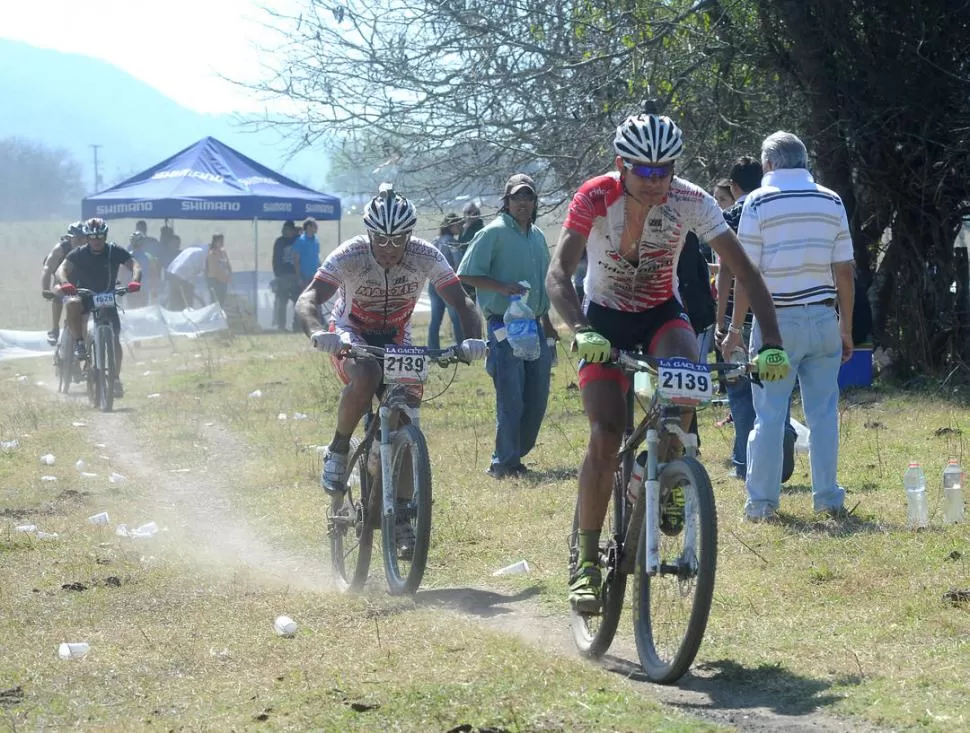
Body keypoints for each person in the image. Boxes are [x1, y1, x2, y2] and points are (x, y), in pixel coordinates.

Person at [546, 111, 789, 613]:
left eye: (666, 170)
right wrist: (582, 330)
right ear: (622, 165)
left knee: (683, 393)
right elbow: (557, 275)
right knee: (606, 433)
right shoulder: (595, 195)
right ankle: (587, 562)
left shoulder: (691, 200)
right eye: (646, 171)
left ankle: (668, 468)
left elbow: (744, 270)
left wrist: (772, 342)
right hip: (604, 320)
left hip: (662, 314)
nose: (658, 181)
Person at [296, 184, 485, 558]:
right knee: (364, 376)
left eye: (398, 239)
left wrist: (473, 339)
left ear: (409, 235)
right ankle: (337, 448)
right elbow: (308, 298)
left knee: (403, 419)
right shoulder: (349, 254)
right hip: (350, 332)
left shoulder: (424, 255)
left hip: (398, 337)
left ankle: (401, 517)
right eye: (380, 239)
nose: (389, 247)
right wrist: (319, 332)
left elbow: (462, 301)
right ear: (369, 233)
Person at [720, 131, 854, 522]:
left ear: (768, 165)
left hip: (776, 322)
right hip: (823, 317)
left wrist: (736, 328)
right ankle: (828, 497)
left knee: (770, 413)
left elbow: (749, 274)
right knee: (824, 413)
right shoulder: (831, 199)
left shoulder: (759, 202)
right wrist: (846, 326)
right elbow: (844, 272)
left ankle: (762, 503)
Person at [458, 173, 559, 478]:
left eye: (528, 197)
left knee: (537, 396)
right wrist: (501, 287)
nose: (522, 203)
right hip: (504, 324)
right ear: (506, 202)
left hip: (535, 325)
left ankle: (516, 453)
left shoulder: (538, 236)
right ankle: (504, 462)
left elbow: (542, 285)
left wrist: (548, 321)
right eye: (516, 198)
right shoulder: (493, 233)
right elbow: (465, 274)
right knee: (511, 395)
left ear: (534, 202)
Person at [716, 155, 798, 482]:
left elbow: (725, 270)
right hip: (778, 312)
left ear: (734, 186)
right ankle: (783, 434)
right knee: (776, 384)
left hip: (743, 316)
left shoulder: (734, 214)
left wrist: (722, 318)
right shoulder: (780, 208)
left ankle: (743, 461)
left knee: (739, 391)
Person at [53, 218, 142, 398]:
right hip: (85, 294)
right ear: (87, 237)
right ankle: (79, 343)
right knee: (72, 303)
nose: (96, 240)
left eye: (100, 237)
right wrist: (64, 283)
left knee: (115, 338)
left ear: (105, 236)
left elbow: (134, 264)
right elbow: (61, 269)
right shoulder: (78, 253)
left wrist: (135, 280)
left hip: (106, 296)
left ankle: (115, 379)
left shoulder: (113, 251)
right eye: (92, 237)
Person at [41, 221, 86, 344]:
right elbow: (47, 268)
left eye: (84, 239)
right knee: (58, 294)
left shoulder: (91, 248)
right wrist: (45, 289)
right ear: (69, 238)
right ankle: (55, 329)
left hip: (83, 285)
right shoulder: (61, 248)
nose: (81, 243)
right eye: (77, 239)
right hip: (62, 284)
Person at [427, 213, 465, 349]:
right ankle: (462, 347)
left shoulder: (435, 241)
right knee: (456, 317)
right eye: (459, 225)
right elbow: (458, 262)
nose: (461, 227)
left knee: (435, 319)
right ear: (452, 225)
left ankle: (432, 349)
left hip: (433, 283)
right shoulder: (452, 242)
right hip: (448, 284)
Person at [271, 220, 300, 330]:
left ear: (292, 231)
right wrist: (277, 275)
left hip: (295, 276)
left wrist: (299, 276)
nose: (285, 232)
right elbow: (275, 259)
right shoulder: (279, 242)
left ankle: (296, 325)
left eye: (287, 230)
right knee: (282, 302)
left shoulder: (298, 241)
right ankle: (281, 326)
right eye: (284, 230)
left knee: (297, 303)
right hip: (283, 276)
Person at [165, 240, 205, 310]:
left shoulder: (191, 250)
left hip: (172, 272)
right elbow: (200, 270)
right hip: (180, 275)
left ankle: (174, 313)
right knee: (187, 300)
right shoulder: (202, 254)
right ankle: (187, 313)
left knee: (175, 300)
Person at [126, 232, 162, 307]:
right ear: (143, 243)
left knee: (131, 309)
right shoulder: (149, 257)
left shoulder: (126, 256)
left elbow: (121, 274)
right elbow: (153, 275)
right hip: (143, 288)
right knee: (142, 310)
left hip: (129, 288)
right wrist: (154, 290)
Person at [291, 217, 321, 292]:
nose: (317, 228)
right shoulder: (300, 241)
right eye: (314, 226)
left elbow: (317, 257)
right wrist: (298, 278)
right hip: (304, 275)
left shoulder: (316, 241)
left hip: (314, 275)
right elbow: (296, 260)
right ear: (308, 227)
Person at [205, 233, 233, 307]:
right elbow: (214, 270)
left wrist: (229, 275)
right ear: (215, 242)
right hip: (215, 280)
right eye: (220, 241)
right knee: (215, 301)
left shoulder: (223, 252)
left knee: (222, 301)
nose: (222, 243)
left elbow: (228, 265)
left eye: (222, 241)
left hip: (223, 281)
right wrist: (223, 279)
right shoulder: (212, 253)